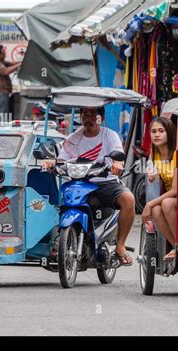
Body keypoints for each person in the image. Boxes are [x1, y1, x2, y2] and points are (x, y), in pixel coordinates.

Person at [43, 106, 135, 266]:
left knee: (129, 199)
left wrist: (117, 163)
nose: (88, 117)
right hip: (80, 183)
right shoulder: (73, 138)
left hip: (106, 182)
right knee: (59, 204)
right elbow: (62, 160)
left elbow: (118, 154)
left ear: (101, 117)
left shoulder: (109, 135)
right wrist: (52, 163)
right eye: (85, 113)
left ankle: (120, 246)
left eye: (93, 114)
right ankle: (60, 242)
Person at [141, 117, 177, 260]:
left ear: (169, 132)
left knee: (164, 203)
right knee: (156, 210)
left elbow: (175, 191)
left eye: (161, 131)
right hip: (170, 197)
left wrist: (149, 203)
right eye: (153, 131)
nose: (157, 135)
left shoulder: (176, 154)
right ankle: (175, 247)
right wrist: (152, 173)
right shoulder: (154, 154)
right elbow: (150, 170)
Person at [0, 45, 21, 122]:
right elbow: (6, 71)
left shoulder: (2, 62)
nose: (5, 55)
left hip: (3, 94)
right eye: (3, 54)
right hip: (0, 94)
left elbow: (12, 64)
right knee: (2, 117)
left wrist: (23, 61)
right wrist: (19, 65)